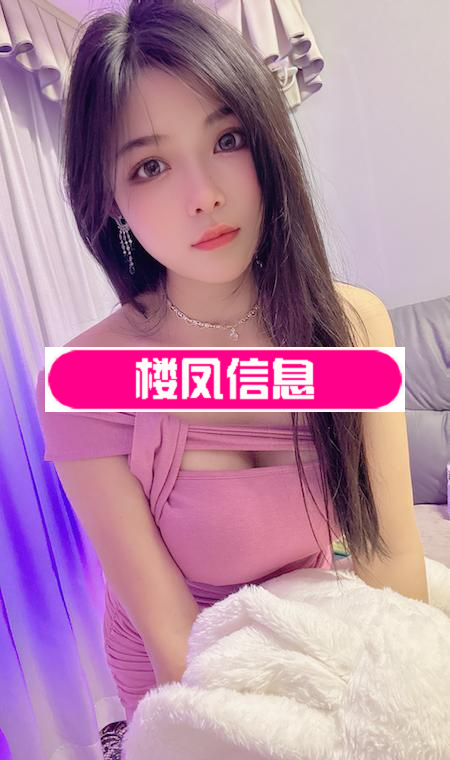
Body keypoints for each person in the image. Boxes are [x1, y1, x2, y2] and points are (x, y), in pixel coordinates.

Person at [35, 0, 399, 730]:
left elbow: (391, 567)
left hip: (306, 630)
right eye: (151, 165)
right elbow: (174, 644)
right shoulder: (86, 377)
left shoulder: (351, 327)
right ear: (111, 201)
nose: (204, 196)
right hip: (185, 683)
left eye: (227, 138)